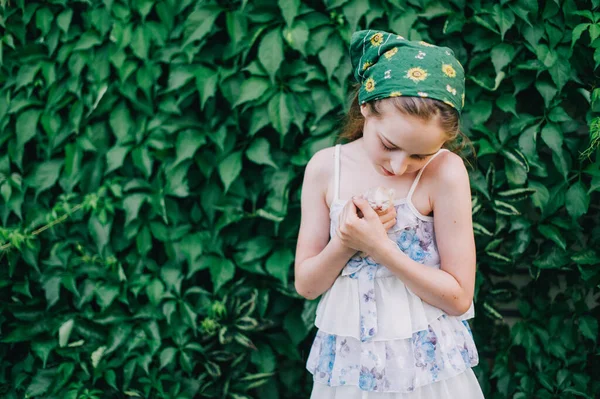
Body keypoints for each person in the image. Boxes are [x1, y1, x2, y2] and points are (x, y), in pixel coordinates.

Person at [294, 29, 485, 398]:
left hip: (426, 370)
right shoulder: (324, 168)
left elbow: (459, 297)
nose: (399, 167)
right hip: (351, 369)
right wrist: (347, 243)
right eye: (389, 145)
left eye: (419, 156)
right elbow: (307, 284)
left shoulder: (444, 173)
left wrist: (381, 249)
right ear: (366, 107)